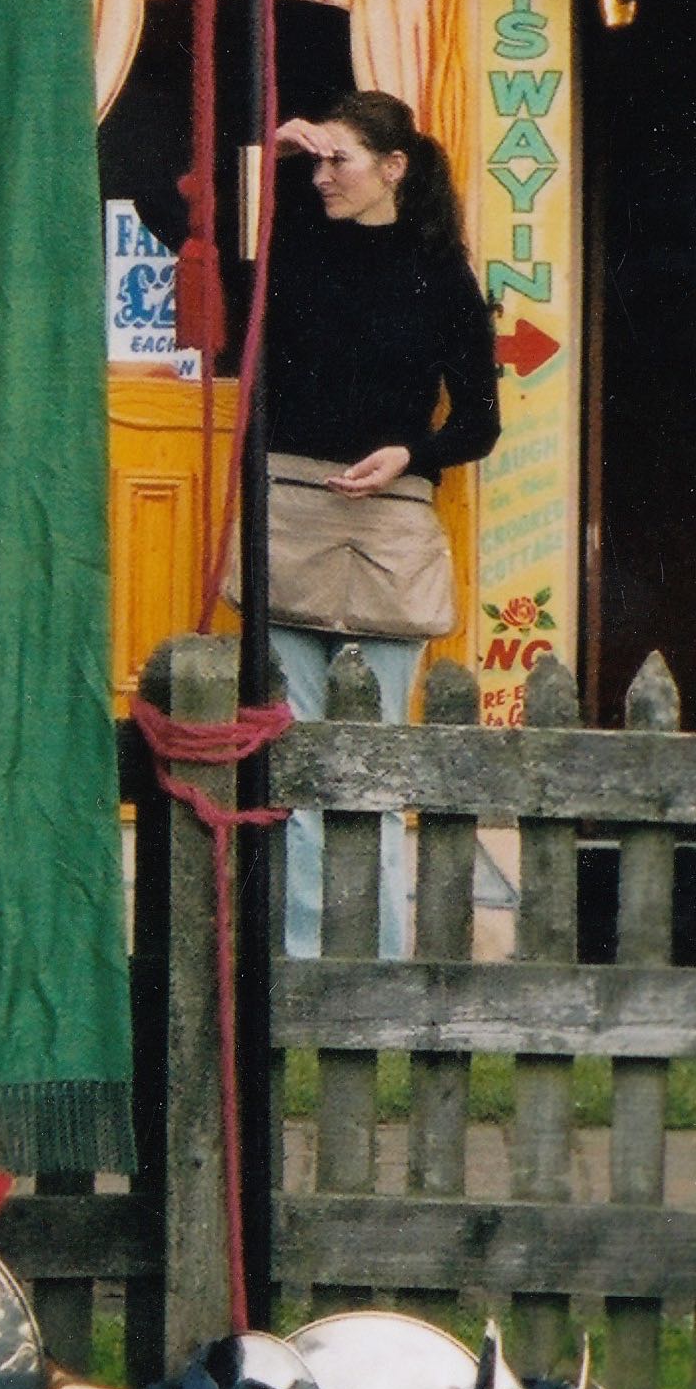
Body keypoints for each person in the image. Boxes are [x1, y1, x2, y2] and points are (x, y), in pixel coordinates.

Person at [252, 92, 500, 954]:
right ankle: (299, 965)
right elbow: (180, 215)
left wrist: (412, 453)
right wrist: (270, 146)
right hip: (286, 512)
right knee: (298, 758)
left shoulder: (441, 273)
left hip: (389, 527)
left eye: (339, 161)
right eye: (316, 163)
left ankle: (382, 966)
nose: (322, 177)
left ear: (394, 168)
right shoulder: (289, 243)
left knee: (376, 760)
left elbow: (481, 422)